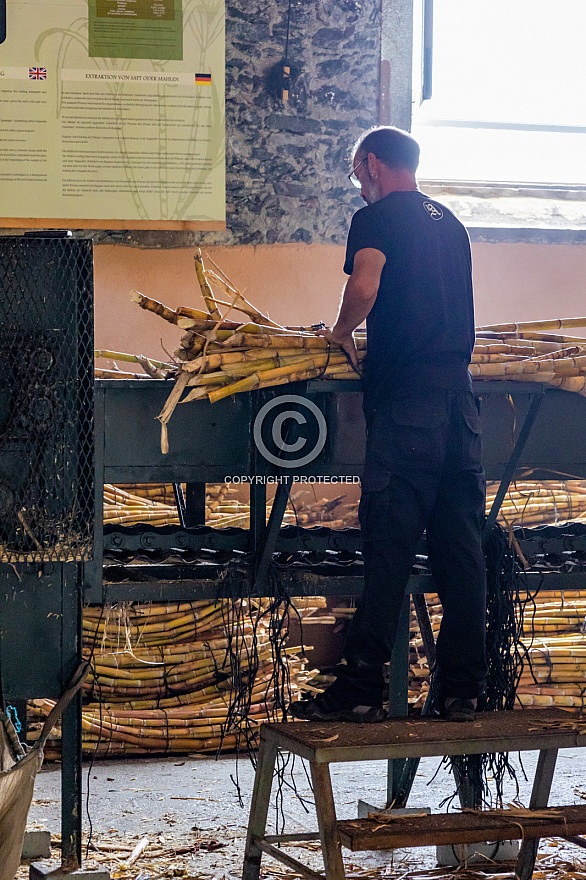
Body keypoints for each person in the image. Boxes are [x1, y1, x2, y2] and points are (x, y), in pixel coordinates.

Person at [290, 126, 487, 724]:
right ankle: (462, 691)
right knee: (462, 554)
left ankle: (360, 691)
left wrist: (341, 331)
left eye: (356, 173)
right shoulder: (449, 222)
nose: (358, 183)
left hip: (409, 412)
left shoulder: (374, 220)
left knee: (389, 551)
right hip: (461, 407)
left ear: (374, 164)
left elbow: (366, 284)